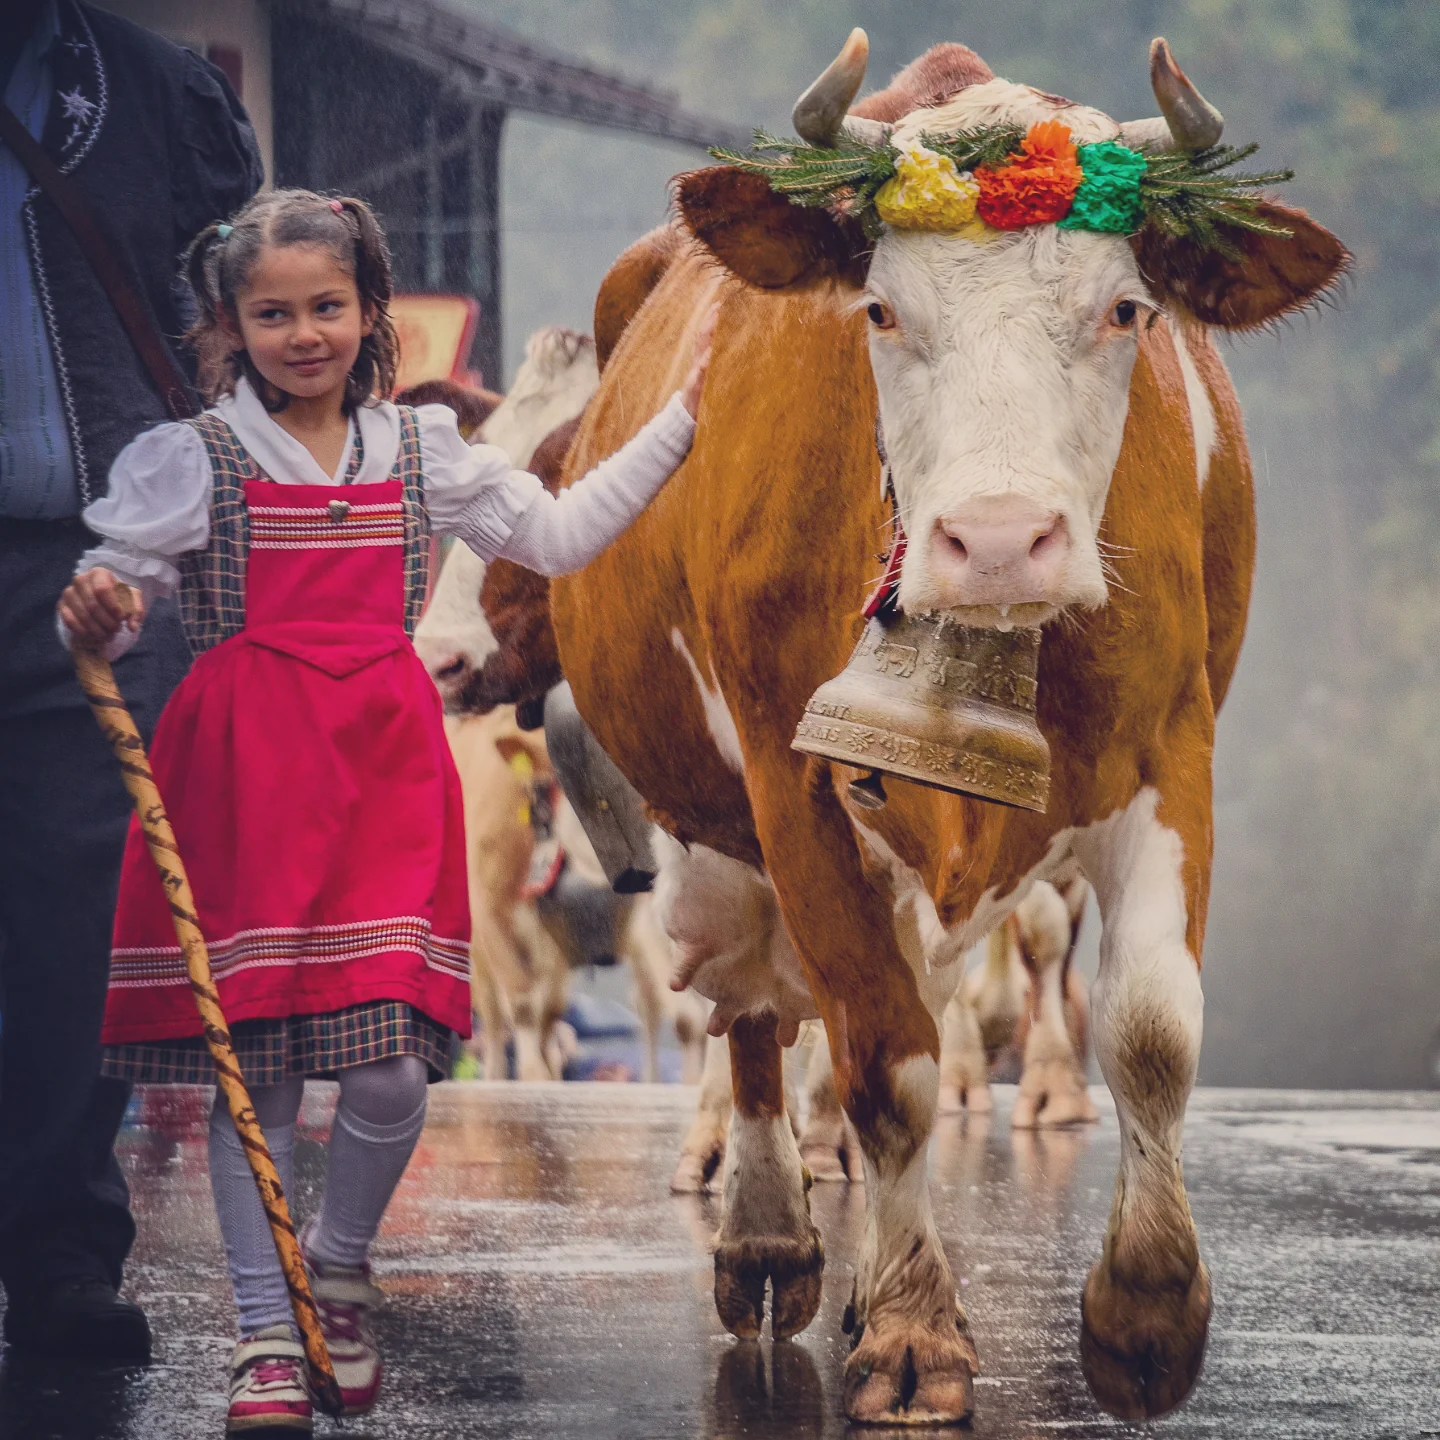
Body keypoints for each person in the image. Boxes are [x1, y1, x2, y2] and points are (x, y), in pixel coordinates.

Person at [58, 187, 712, 1436]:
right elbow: (116, 593)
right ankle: (266, 1333)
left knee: (395, 1072)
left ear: (369, 315)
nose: (301, 333)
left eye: (326, 307)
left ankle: (339, 1269)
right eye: (271, 313)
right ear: (232, 324)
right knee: (260, 1077)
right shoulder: (194, 459)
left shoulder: (422, 455)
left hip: (382, 768)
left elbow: (566, 533)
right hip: (245, 770)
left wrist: (684, 418)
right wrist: (95, 609)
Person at [0, 0, 261, 1364]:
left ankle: (58, 1256)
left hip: (91, 566)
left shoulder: (159, 94)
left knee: (71, 929)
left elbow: (246, 317)